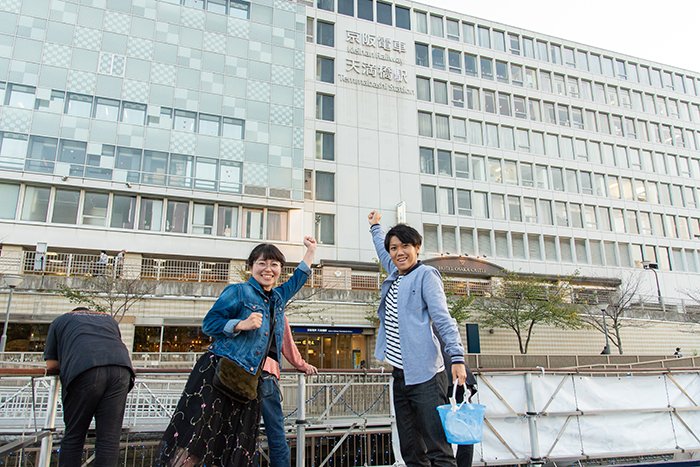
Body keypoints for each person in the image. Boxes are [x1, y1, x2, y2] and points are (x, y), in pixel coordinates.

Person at [157, 237, 317, 466]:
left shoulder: (279, 299)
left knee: (235, 440)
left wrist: (311, 251)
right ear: (251, 267)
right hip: (222, 372)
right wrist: (240, 324)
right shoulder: (239, 292)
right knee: (199, 435)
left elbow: (299, 278)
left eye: (274, 264)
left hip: (250, 379)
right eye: (262, 263)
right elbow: (209, 324)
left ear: (280, 269)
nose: (268, 269)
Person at [367, 210, 466, 467]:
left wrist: (457, 356)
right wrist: (376, 227)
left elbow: (443, 318)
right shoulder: (395, 272)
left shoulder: (426, 275)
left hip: (427, 376)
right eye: (394, 248)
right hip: (400, 375)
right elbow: (381, 250)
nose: (399, 252)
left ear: (417, 247)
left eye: (405, 246)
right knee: (411, 450)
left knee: (438, 449)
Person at [43, 306, 135, 467]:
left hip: (84, 370)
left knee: (75, 434)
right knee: (109, 438)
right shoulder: (109, 320)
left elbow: (52, 364)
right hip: (122, 370)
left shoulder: (60, 321)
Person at [260, 316, 317, 467]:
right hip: (267, 374)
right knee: (276, 432)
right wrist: (303, 365)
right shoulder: (277, 312)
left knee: (244, 431)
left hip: (243, 376)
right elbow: (288, 346)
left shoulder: (244, 306)